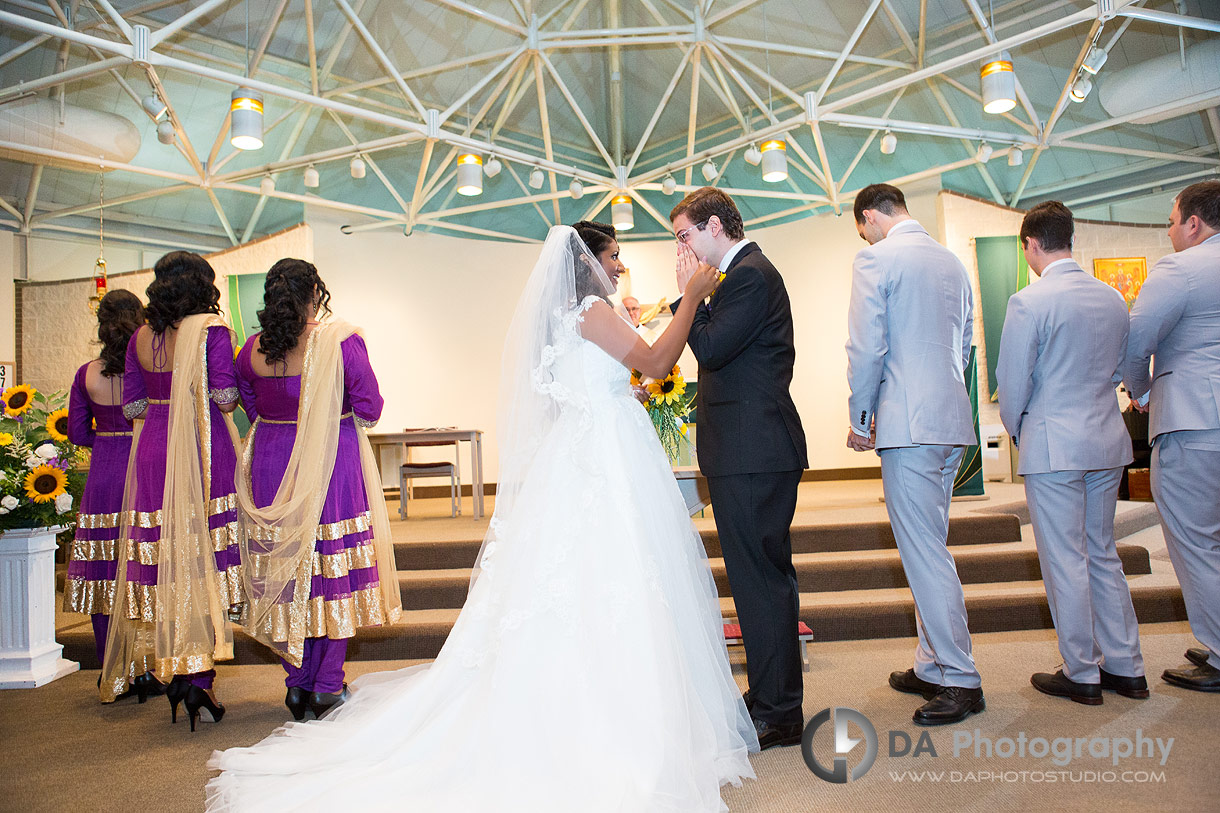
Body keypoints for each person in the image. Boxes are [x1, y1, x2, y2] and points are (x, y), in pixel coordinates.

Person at [206, 226, 755, 811]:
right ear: (588, 263)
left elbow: (599, 382)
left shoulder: (573, 314)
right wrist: (692, 297)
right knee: (606, 580)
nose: (620, 266)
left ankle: (307, 681)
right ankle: (593, 718)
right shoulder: (593, 309)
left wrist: (631, 388)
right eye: (615, 255)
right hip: (600, 464)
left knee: (601, 583)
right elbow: (656, 358)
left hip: (591, 455)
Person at [668, 187, 808, 749]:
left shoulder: (748, 274)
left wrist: (689, 298)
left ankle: (780, 709)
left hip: (755, 451)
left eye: (684, 235)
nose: (680, 248)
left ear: (714, 227)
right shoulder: (740, 272)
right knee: (756, 580)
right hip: (748, 451)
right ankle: (770, 695)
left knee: (762, 581)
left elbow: (709, 348)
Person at [233, 258, 401, 721]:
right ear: (315, 294)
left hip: (270, 460)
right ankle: (327, 685)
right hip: (330, 461)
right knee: (333, 570)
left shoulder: (251, 349)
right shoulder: (340, 341)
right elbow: (369, 408)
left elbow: (249, 405)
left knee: (291, 574)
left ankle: (297, 683)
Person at [844, 183, 983, 726]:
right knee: (932, 543)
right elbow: (967, 344)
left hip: (907, 425)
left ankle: (960, 676)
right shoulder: (952, 263)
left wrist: (861, 418)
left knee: (925, 553)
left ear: (871, 216)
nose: (865, 234)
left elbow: (865, 346)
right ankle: (931, 664)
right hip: (950, 419)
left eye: (863, 226)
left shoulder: (875, 259)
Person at [997, 201, 1146, 705]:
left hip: (1054, 442)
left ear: (1031, 245)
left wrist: (1017, 428)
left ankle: (1081, 671)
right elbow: (1122, 369)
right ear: (1071, 240)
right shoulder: (1112, 298)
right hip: (1105, 440)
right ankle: (1126, 666)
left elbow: (1013, 382)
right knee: (1102, 553)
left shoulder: (1029, 301)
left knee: (1065, 559)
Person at [100, 251, 244, 732]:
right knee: (205, 562)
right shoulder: (212, 332)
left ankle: (183, 673)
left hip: (156, 449)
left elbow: (134, 405)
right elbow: (224, 397)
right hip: (204, 449)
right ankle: (198, 675)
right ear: (203, 285)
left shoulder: (141, 336)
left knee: (174, 563)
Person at [1123, 180, 1220, 692]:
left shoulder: (1182, 269)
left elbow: (1136, 338)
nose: (1168, 230)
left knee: (1194, 539)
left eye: (1170, 220)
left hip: (1195, 420)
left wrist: (1139, 391)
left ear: (1194, 224)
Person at [64, 290, 151, 696]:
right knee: (146, 570)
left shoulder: (86, 373)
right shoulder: (148, 371)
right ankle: (150, 669)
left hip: (103, 475)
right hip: (144, 470)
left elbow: (78, 432)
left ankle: (113, 674)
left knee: (104, 578)